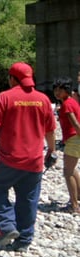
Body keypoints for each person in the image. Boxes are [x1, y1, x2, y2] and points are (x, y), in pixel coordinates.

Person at [0, 62, 56, 253]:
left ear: (12, 78)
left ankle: (7, 227)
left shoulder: (5, 97)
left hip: (9, 159)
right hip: (34, 162)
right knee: (28, 199)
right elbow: (50, 131)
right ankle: (24, 240)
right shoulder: (43, 99)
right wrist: (51, 151)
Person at [53, 77, 80, 214]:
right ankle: (78, 195)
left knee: (67, 171)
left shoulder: (68, 104)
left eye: (60, 90)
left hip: (74, 139)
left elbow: (75, 123)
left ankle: (74, 206)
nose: (57, 92)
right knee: (72, 168)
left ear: (67, 90)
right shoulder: (70, 102)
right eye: (55, 89)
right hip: (74, 139)